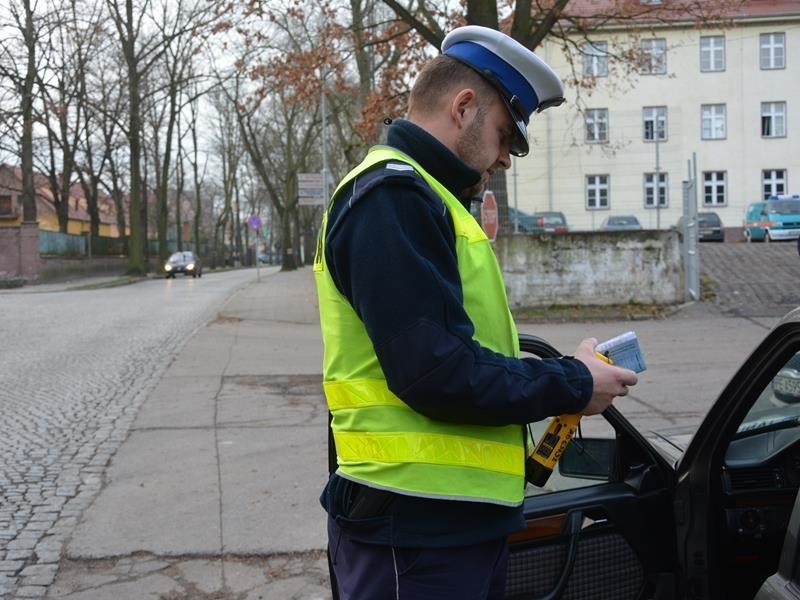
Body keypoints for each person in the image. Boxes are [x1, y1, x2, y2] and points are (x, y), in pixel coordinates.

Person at [313, 25, 638, 600]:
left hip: (444, 528)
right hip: (414, 534)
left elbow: (453, 344)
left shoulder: (429, 202)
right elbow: (436, 370)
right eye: (506, 137)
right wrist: (572, 382)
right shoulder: (393, 198)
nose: (506, 159)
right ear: (464, 107)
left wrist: (571, 374)